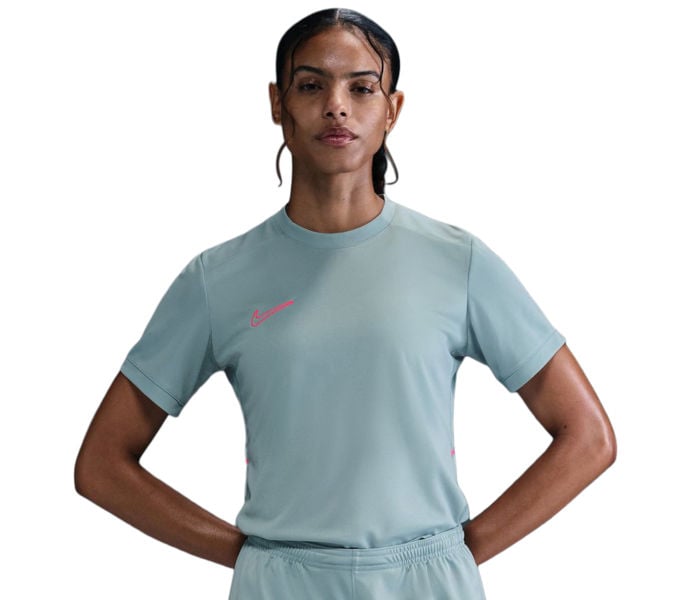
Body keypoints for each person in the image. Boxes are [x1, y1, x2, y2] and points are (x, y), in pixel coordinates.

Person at [74, 8, 616, 599]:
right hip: (279, 585)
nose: (337, 106)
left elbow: (588, 437)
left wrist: (457, 553)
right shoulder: (217, 279)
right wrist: (251, 556)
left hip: (429, 582)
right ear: (278, 103)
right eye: (311, 86)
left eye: (361, 88)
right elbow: (102, 465)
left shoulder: (457, 262)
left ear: (392, 109)